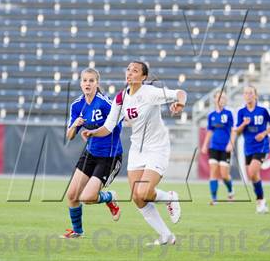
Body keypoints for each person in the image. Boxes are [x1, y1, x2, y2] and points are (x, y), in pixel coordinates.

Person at [82, 61, 187, 246]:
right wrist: (93, 132)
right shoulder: (121, 98)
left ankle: (169, 197)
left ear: (143, 77)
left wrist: (180, 104)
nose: (130, 73)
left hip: (157, 147)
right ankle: (166, 236)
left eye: (135, 70)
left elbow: (180, 93)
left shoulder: (150, 92)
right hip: (138, 150)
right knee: (138, 198)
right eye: (128, 69)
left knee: (145, 191)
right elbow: (108, 126)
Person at [63, 68, 123, 238]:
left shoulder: (105, 103)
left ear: (97, 83)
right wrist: (75, 124)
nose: (87, 84)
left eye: (91, 81)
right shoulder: (76, 105)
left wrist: (94, 132)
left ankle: (110, 197)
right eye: (84, 81)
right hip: (90, 154)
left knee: (88, 198)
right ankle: (77, 231)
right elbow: (69, 136)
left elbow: (118, 124)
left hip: (109, 157)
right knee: (72, 195)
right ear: (80, 83)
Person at [236, 85, 270, 214]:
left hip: (261, 146)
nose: (248, 95)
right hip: (248, 147)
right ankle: (261, 201)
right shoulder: (241, 112)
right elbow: (237, 131)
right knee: (253, 176)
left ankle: (260, 201)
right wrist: (244, 124)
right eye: (245, 93)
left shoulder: (263, 110)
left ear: (255, 95)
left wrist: (263, 134)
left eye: (250, 93)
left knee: (252, 172)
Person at [201, 91, 235, 205]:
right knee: (213, 172)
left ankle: (230, 191)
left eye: (224, 98)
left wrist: (231, 144)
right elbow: (210, 131)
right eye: (220, 98)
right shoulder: (211, 115)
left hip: (225, 147)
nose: (222, 100)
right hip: (214, 146)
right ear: (215, 99)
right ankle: (214, 198)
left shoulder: (229, 113)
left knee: (224, 174)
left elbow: (233, 131)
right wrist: (205, 144)